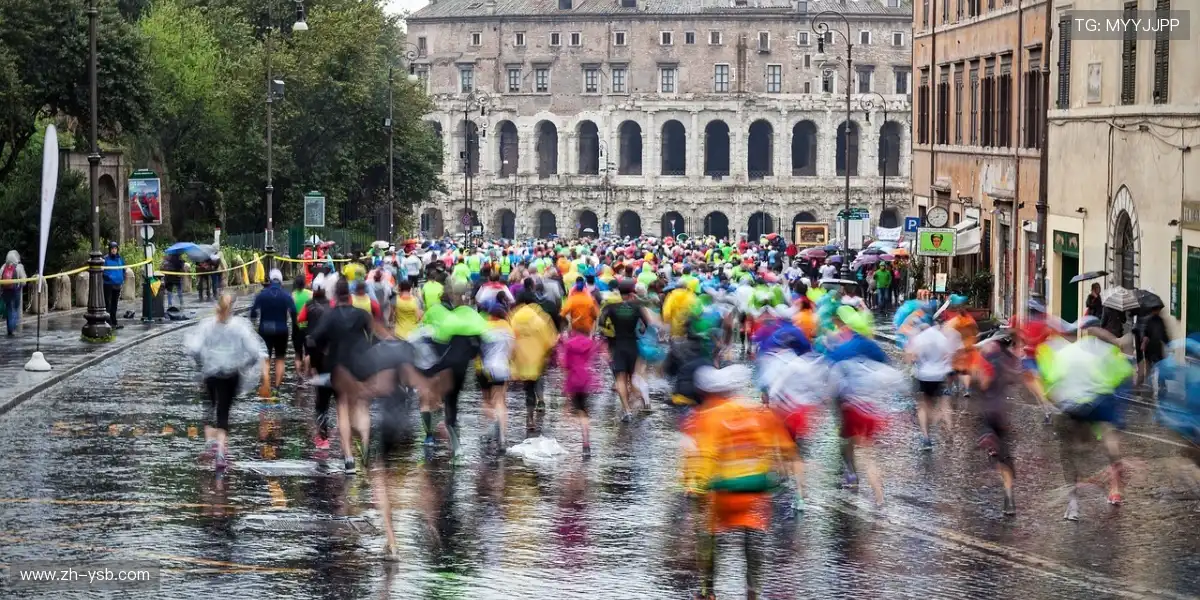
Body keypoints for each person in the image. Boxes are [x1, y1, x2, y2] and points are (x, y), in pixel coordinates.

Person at [684, 364, 795, 600]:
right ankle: (753, 592)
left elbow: (705, 454)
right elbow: (784, 449)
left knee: (708, 535)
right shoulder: (762, 413)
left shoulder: (708, 416)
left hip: (723, 494)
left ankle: (708, 591)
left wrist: (694, 485)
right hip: (756, 492)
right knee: (753, 541)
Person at [184, 293, 268, 469]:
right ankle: (221, 452)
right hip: (231, 375)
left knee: (209, 407)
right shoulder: (240, 327)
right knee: (223, 412)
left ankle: (209, 445)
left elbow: (194, 348)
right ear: (233, 308)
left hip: (210, 374)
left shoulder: (207, 326)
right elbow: (254, 352)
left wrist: (201, 365)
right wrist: (244, 366)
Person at [599, 280, 653, 420]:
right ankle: (641, 402)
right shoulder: (637, 307)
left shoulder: (611, 307)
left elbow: (601, 324)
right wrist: (641, 329)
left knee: (620, 379)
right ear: (631, 293)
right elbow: (647, 323)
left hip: (618, 345)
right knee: (632, 378)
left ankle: (627, 410)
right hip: (632, 345)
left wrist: (607, 336)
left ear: (618, 292)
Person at [906, 320, 958, 450]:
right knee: (943, 404)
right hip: (940, 375)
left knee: (924, 405)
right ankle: (948, 430)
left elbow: (912, 357)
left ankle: (926, 438)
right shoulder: (941, 338)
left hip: (923, 375)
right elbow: (949, 355)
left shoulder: (920, 338)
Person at [250, 269, 297, 393]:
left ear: (270, 280)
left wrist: (254, 325)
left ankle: (266, 385)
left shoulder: (262, 294)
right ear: (281, 281)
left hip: (265, 329)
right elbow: (293, 313)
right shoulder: (286, 295)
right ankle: (276, 387)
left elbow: (253, 312)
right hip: (282, 329)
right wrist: (294, 328)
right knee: (280, 359)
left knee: (265, 359)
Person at [291, 275, 312, 376]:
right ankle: (307, 373)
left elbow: (290, 312)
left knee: (298, 353)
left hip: (296, 327)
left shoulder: (292, 296)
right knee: (308, 352)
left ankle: (299, 375)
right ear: (304, 283)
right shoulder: (310, 294)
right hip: (308, 327)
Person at [1, 250, 27, 336]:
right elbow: (24, 282)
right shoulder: (19, 266)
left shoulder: (3, 267)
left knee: (9, 310)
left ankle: (9, 329)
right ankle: (12, 328)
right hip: (15, 292)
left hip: (5, 292)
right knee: (15, 309)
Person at [102, 241, 125, 330]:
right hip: (108, 284)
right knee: (108, 304)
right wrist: (108, 278)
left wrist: (121, 278)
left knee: (115, 304)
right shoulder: (106, 259)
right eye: (112, 249)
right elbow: (103, 271)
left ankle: (114, 322)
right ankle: (108, 323)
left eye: (115, 249)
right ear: (110, 249)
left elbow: (123, 269)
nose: (114, 250)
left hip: (117, 284)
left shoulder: (120, 259)